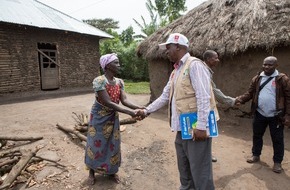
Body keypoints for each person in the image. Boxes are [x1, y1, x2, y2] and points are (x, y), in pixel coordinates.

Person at [137, 33, 218, 190]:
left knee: (201, 173)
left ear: (179, 47)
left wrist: (201, 126)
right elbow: (165, 96)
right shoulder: (176, 71)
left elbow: (203, 96)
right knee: (185, 171)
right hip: (183, 129)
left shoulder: (194, 65)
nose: (166, 52)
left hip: (196, 130)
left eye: (169, 48)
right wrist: (146, 110)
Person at [84, 53, 143, 185]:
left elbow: (124, 100)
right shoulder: (99, 81)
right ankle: (92, 172)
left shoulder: (119, 82)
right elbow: (108, 102)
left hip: (112, 116)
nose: (119, 65)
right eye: (116, 63)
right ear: (107, 66)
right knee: (95, 144)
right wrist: (131, 112)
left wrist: (140, 107)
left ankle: (111, 171)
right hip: (99, 117)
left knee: (113, 144)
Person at [236, 56, 290, 173]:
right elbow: (250, 93)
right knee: (257, 135)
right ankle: (256, 155)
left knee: (277, 139)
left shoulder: (282, 79)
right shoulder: (257, 78)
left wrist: (287, 115)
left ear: (276, 66)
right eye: (265, 64)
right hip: (260, 113)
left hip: (276, 115)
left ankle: (277, 162)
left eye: (270, 65)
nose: (266, 67)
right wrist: (240, 99)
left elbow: (288, 98)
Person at [203, 50, 237, 162]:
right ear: (208, 59)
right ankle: (204, 155)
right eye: (215, 58)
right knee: (204, 131)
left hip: (206, 107)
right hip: (203, 107)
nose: (218, 60)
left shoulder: (207, 71)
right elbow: (214, 91)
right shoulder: (203, 71)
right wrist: (231, 101)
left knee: (207, 132)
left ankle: (206, 154)